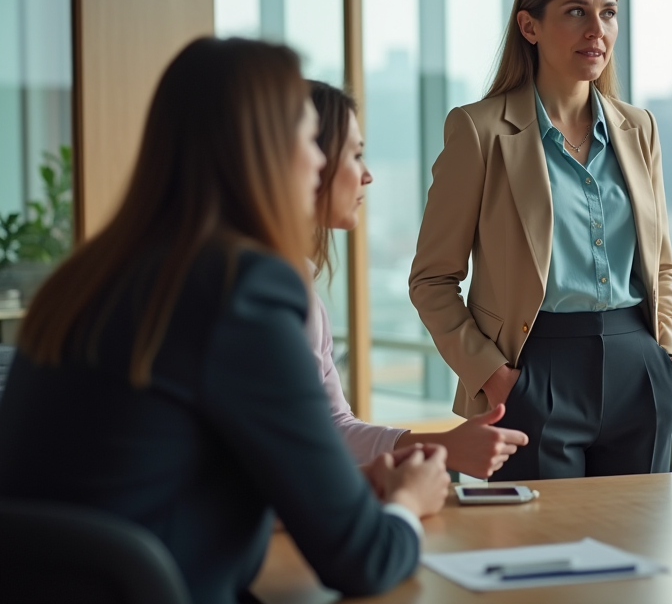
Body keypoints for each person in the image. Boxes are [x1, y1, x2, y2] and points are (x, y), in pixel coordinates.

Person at [0, 38, 450, 604]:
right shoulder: (241, 289)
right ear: (259, 150)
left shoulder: (89, 276)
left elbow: (168, 470)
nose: (319, 160)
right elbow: (363, 559)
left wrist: (337, 488)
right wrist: (408, 502)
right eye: (308, 139)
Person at [409, 0, 672, 480]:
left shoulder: (639, 128)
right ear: (529, 26)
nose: (597, 31)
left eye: (608, 13)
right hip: (535, 369)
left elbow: (662, 264)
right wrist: (493, 375)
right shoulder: (480, 130)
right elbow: (432, 279)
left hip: (640, 366)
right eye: (576, 12)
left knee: (639, 549)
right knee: (541, 549)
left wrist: (670, 358)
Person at [305, 81, 527, 477]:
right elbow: (297, 455)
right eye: (355, 155)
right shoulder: (264, 295)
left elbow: (328, 430)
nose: (368, 175)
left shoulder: (303, 294)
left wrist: (441, 446)